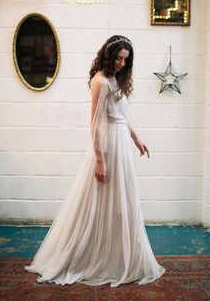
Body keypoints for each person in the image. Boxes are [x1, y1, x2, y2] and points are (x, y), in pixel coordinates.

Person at [24, 35, 166, 287]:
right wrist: (100, 161)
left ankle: (117, 254)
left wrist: (136, 138)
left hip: (121, 141)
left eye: (126, 59)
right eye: (119, 58)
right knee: (101, 200)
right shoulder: (100, 81)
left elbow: (121, 115)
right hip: (109, 146)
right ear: (108, 56)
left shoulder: (116, 79)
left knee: (124, 200)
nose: (122, 63)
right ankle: (93, 255)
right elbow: (95, 123)